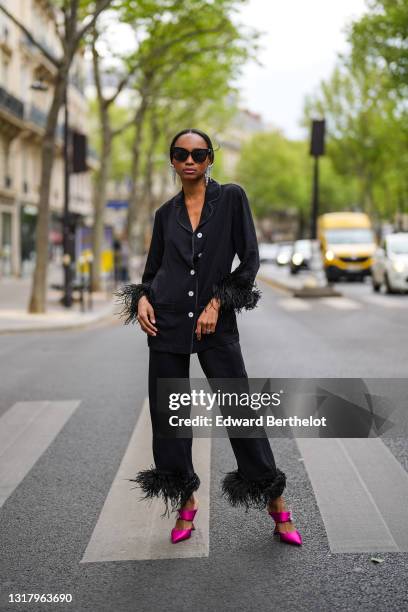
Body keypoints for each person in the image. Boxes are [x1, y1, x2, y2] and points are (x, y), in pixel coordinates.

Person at [114, 128, 302, 546]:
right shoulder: (165, 214)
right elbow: (153, 273)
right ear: (173, 160)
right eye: (181, 153)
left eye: (198, 153)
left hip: (216, 325)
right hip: (165, 323)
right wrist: (143, 299)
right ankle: (186, 502)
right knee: (171, 421)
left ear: (210, 158)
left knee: (240, 411)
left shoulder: (231, 197)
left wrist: (217, 303)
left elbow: (249, 261)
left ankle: (276, 502)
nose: (190, 160)